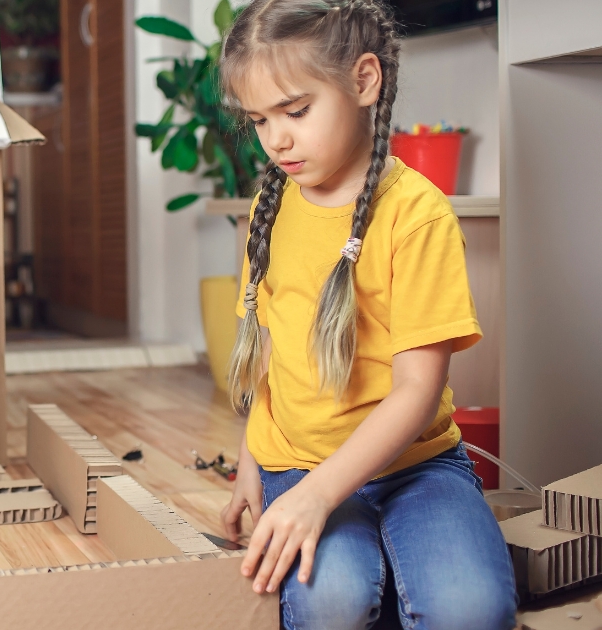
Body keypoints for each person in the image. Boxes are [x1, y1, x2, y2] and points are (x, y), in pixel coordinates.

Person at [215, 1, 516, 628]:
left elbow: (415, 390)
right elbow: (273, 358)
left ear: (363, 80)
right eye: (259, 120)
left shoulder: (417, 215)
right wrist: (254, 465)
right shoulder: (268, 213)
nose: (277, 139)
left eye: (296, 111)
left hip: (418, 466)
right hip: (296, 462)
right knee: (334, 602)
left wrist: (323, 495)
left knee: (471, 610)